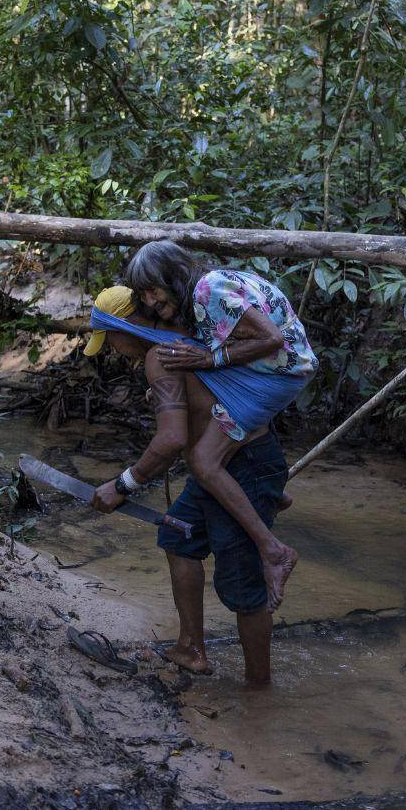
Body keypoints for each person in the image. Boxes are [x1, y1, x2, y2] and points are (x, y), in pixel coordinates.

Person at [83, 285, 289, 686]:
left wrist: (122, 484)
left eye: (110, 340)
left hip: (241, 465)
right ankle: (191, 649)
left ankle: (259, 693)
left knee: (242, 583)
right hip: (228, 464)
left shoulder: (161, 356)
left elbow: (172, 440)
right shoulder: (190, 339)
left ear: (127, 326)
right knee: (178, 538)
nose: (112, 350)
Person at [120, 240, 317, 612]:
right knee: (188, 384)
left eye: (153, 290)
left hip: (279, 372)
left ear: (172, 276)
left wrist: (211, 360)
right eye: (143, 295)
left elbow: (271, 340)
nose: (149, 301)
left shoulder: (209, 290)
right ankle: (272, 494)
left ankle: (274, 552)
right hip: (265, 369)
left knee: (204, 461)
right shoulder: (200, 297)